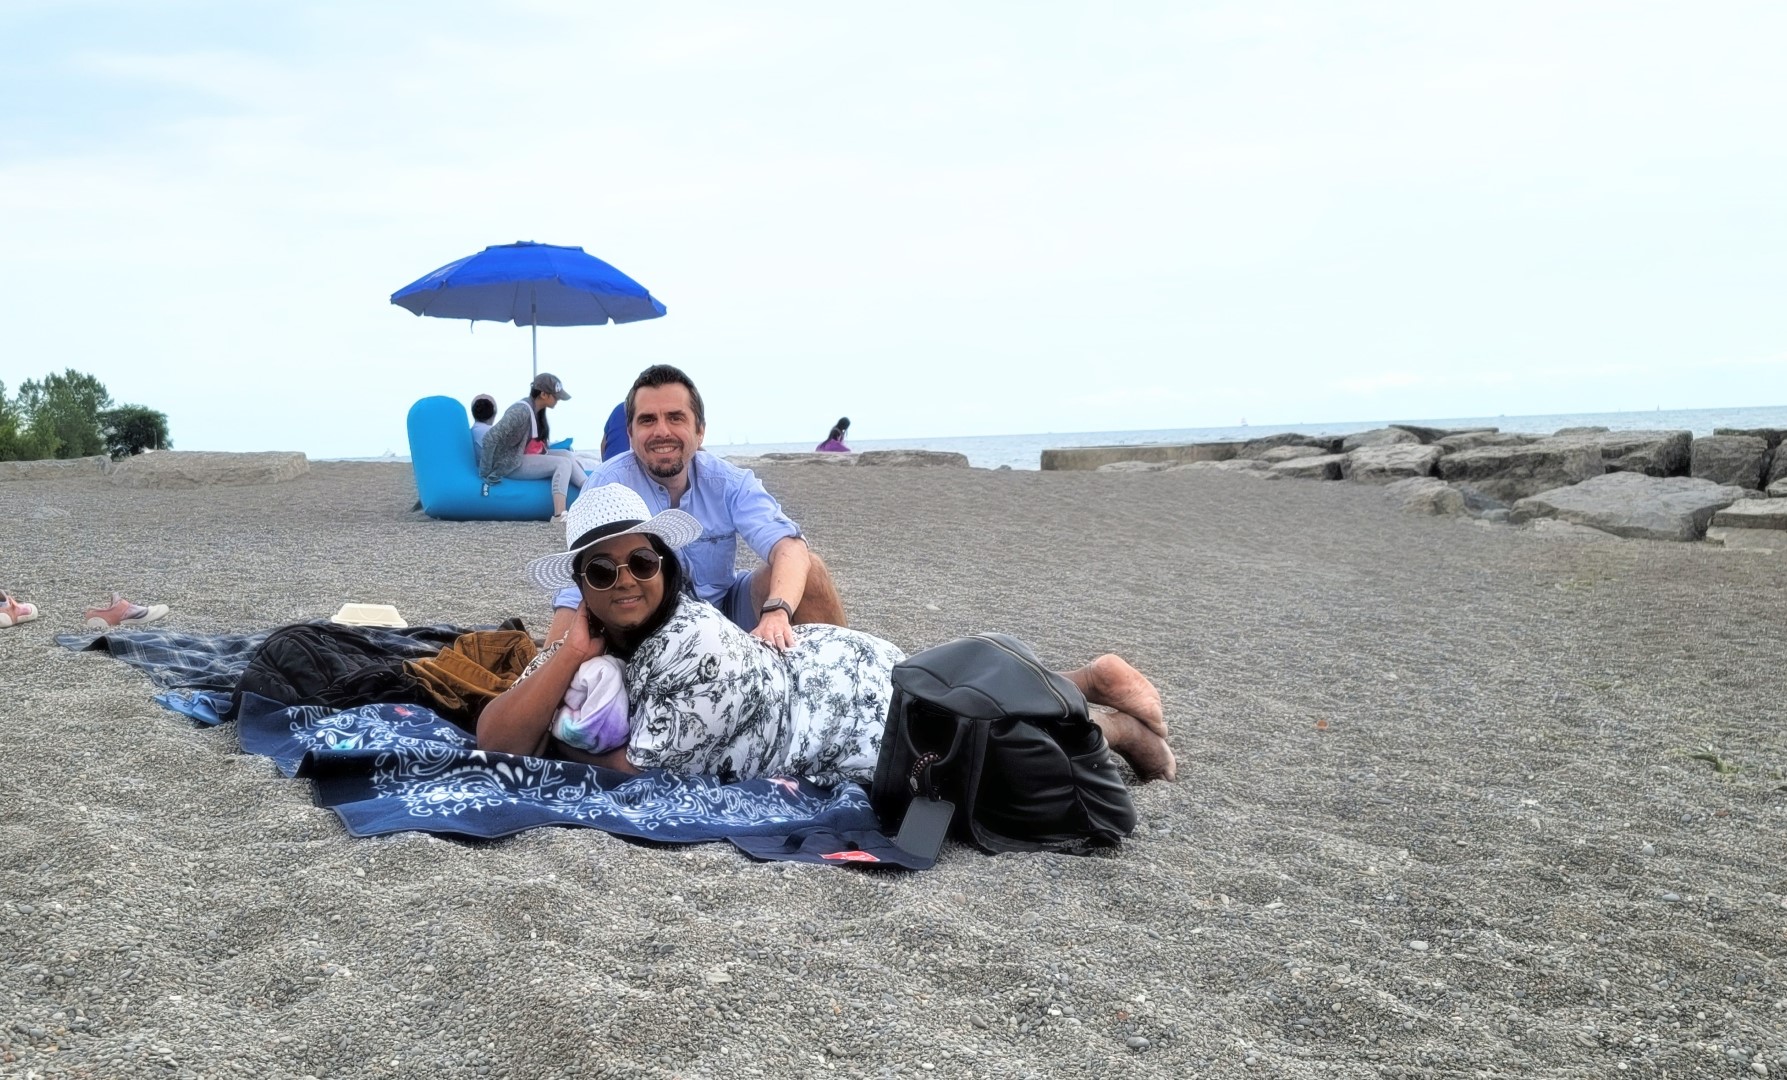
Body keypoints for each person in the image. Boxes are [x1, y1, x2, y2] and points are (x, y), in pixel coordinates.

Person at [479, 485, 1176, 786]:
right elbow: (494, 738)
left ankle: (1109, 724)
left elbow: (636, 771)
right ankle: (1082, 680)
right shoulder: (591, 633)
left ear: (664, 563)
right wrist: (567, 654)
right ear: (583, 585)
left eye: (640, 560)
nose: (625, 579)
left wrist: (553, 741)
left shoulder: (695, 643)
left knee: (967, 743)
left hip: (840, 706)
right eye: (602, 570)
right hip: (816, 666)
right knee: (956, 702)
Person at [546, 364, 844, 651]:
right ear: (631, 433)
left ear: (700, 431)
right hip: (649, 625)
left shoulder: (728, 481)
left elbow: (789, 547)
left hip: (727, 609)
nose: (662, 431)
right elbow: (581, 579)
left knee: (811, 571)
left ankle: (846, 677)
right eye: (648, 420)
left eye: (675, 418)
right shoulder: (607, 485)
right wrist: (553, 655)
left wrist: (776, 612)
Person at [478, 373, 587, 523]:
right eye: (555, 396)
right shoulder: (520, 411)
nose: (558, 400)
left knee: (566, 455)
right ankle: (559, 515)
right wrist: (485, 472)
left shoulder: (537, 411)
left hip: (520, 457)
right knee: (562, 463)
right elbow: (489, 438)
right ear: (543, 394)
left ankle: (590, 489)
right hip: (510, 464)